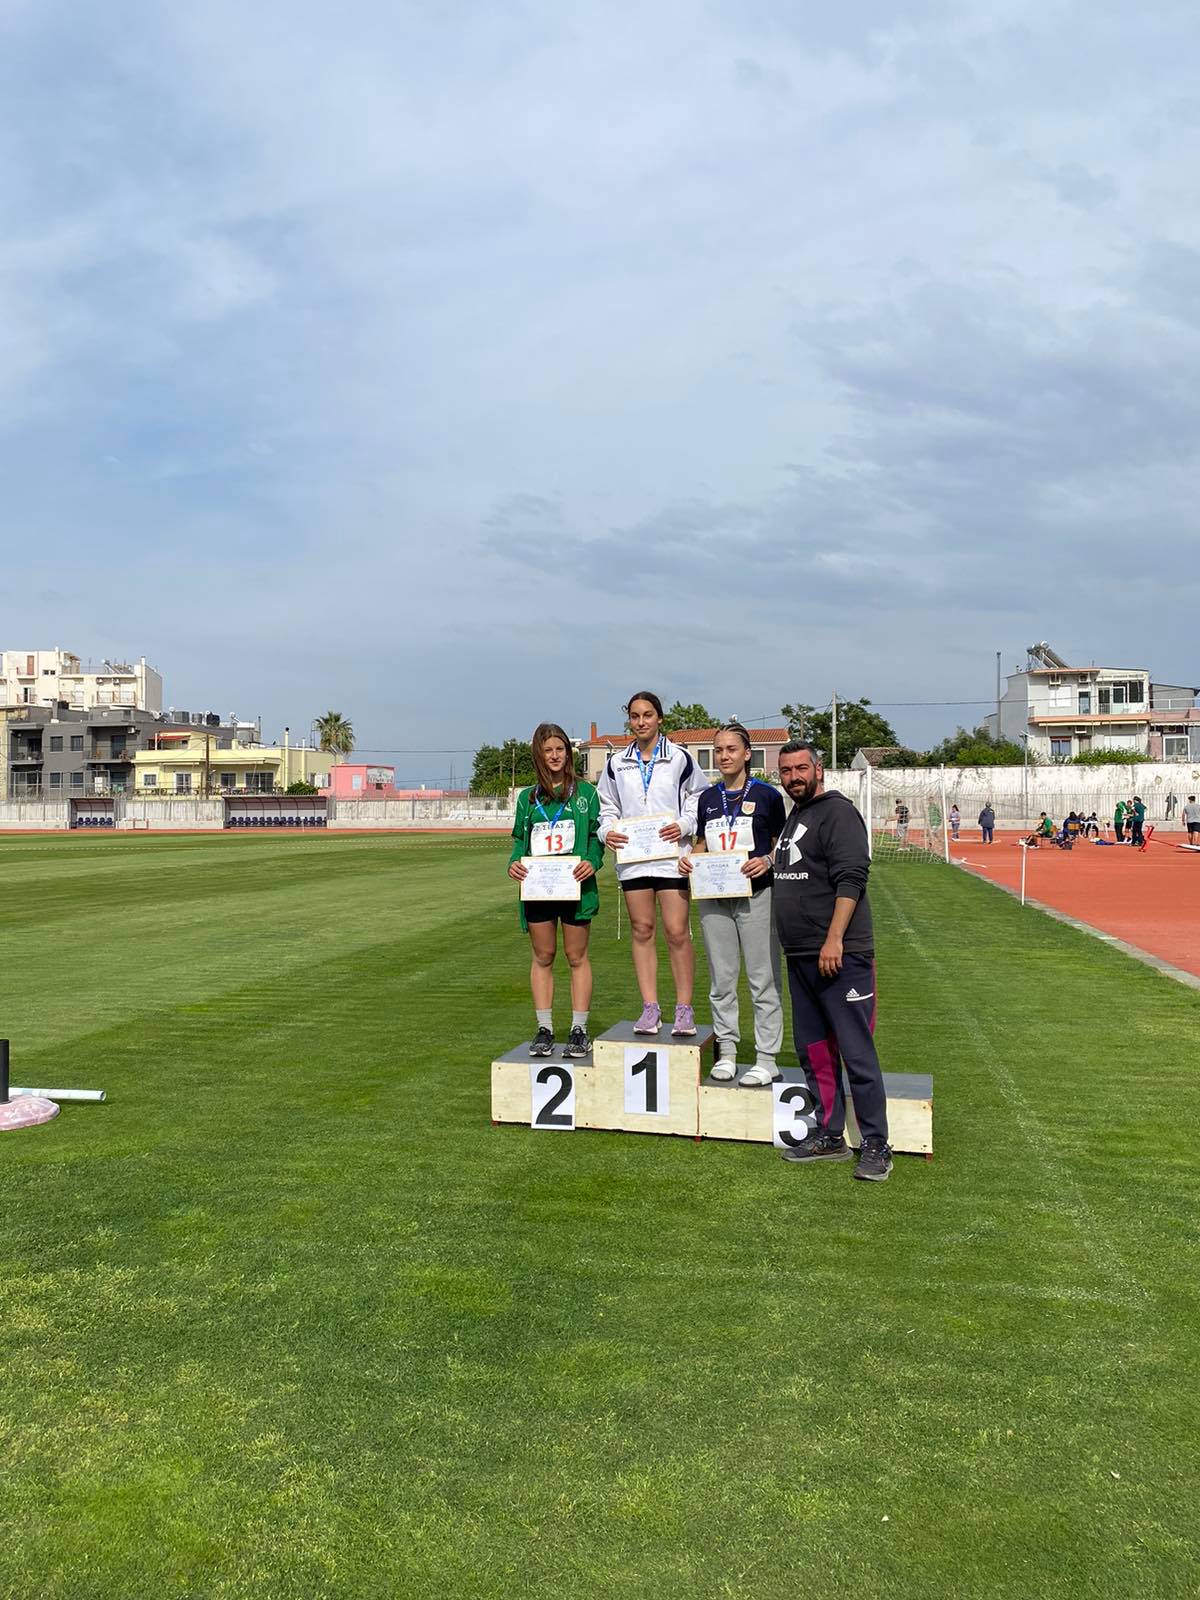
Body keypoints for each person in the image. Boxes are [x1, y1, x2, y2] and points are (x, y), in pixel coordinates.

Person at [772, 741, 893, 1182]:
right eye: (786, 771)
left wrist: (835, 939)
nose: (793, 777)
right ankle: (829, 1134)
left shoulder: (838, 812)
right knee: (814, 1051)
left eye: (801, 768)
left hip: (840, 955)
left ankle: (876, 1144)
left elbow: (852, 878)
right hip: (801, 955)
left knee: (856, 1053)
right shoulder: (796, 816)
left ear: (819, 770)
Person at [678, 724, 787, 1087]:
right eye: (718, 749)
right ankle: (726, 1052)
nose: (724, 756)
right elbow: (701, 844)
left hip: (757, 895)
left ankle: (767, 1058)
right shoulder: (708, 798)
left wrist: (767, 861)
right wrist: (691, 861)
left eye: (731, 749)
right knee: (721, 979)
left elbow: (781, 844)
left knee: (763, 978)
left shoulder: (768, 796)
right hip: (714, 898)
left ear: (747, 754)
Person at [598, 691, 709, 1036]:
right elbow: (607, 806)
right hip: (634, 859)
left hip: (672, 858)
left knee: (677, 932)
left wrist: (686, 825)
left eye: (647, 715)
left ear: (659, 718)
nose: (641, 722)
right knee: (642, 929)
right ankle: (650, 1008)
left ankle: (684, 1009)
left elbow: (698, 796)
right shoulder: (617, 763)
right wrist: (606, 831)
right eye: (635, 716)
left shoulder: (679, 758)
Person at [508, 723, 604, 1059]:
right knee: (543, 956)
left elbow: (596, 837)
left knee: (576, 957)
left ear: (568, 753)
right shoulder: (528, 798)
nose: (554, 756)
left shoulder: (586, 794)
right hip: (538, 888)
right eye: (548, 750)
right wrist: (514, 863)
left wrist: (593, 861)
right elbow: (519, 841)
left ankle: (579, 1029)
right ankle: (545, 1028)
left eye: (560, 749)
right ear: (539, 754)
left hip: (575, 886)